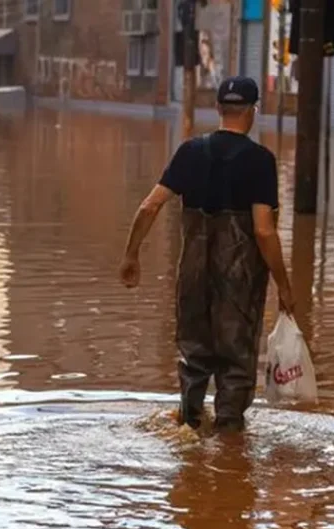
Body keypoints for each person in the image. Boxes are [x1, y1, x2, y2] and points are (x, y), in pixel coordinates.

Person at [119, 76, 293, 432]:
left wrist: (131, 255)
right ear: (253, 112)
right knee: (235, 364)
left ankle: (190, 429)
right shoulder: (260, 161)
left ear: (218, 109)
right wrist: (284, 284)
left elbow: (150, 207)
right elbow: (263, 230)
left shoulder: (190, 152)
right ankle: (229, 454)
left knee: (194, 358)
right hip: (239, 283)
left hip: (193, 277)